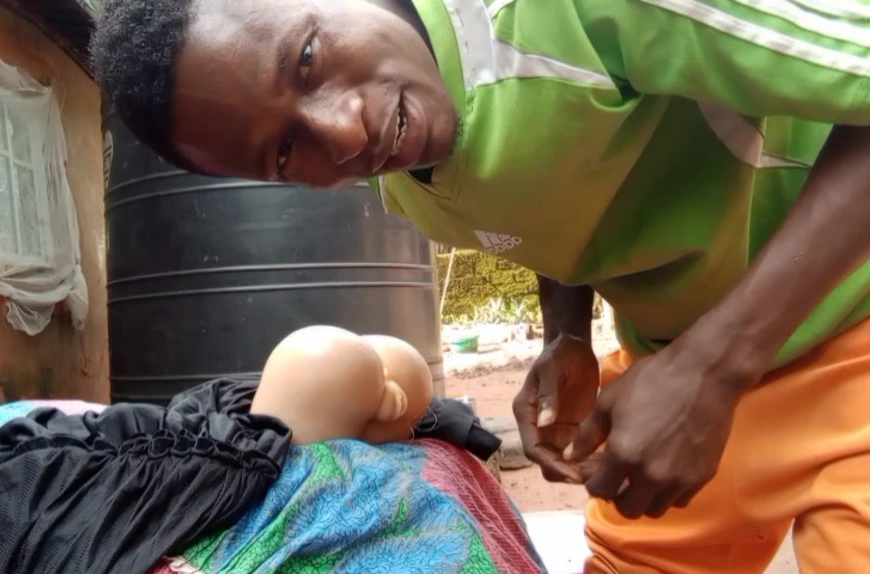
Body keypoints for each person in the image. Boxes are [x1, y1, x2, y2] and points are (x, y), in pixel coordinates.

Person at [89, 0, 870, 571]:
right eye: (286, 154)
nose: (344, 131)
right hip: (685, 370)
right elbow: (549, 190)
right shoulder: (407, 183)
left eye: (307, 59)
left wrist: (714, 365)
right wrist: (566, 333)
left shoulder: (567, 17)